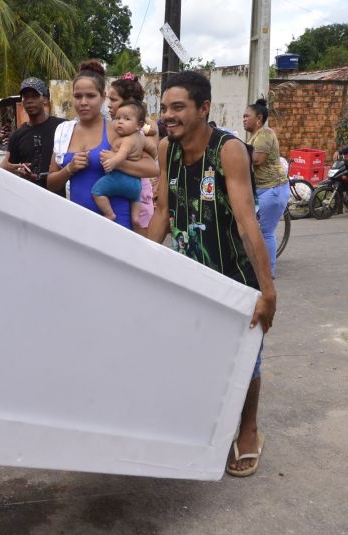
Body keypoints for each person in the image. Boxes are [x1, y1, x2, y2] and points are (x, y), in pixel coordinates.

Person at [147, 71, 276, 478]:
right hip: (190, 279)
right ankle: (204, 426)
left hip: (234, 277)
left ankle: (249, 429)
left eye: (178, 107)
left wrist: (267, 292)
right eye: (165, 108)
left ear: (204, 109)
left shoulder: (229, 150)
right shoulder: (165, 149)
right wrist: (141, 264)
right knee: (195, 354)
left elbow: (246, 223)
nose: (168, 115)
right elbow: (164, 213)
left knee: (246, 360)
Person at [46, 60, 158, 230]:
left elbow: (152, 168)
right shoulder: (64, 133)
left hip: (117, 225)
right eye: (78, 96)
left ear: (103, 97)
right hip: (80, 225)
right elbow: (51, 183)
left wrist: (116, 160)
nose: (83, 102)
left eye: (90, 96)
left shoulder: (117, 130)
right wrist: (69, 169)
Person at [243, 99, 290, 276]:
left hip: (273, 189)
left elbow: (256, 160)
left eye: (247, 116)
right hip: (262, 189)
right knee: (255, 228)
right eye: (243, 116)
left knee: (265, 231)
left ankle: (268, 272)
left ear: (259, 118)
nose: (244, 119)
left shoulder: (264, 134)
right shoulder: (255, 136)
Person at [108, 73, 159, 229]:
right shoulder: (112, 125)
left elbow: (151, 163)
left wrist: (115, 160)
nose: (109, 105)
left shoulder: (141, 128)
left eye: (113, 100)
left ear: (129, 101)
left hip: (139, 194)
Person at [2, 77, 66, 195]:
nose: (29, 101)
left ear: (45, 99)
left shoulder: (62, 127)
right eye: (26, 97)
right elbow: (9, 167)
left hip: (58, 200)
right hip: (28, 198)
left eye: (35, 96)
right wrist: (11, 169)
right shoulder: (17, 135)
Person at [92, 100, 147, 229]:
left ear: (139, 125)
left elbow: (122, 154)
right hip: (136, 185)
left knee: (97, 191)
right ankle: (135, 218)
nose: (120, 122)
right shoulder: (141, 137)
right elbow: (152, 149)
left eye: (127, 119)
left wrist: (112, 162)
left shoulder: (126, 139)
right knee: (135, 199)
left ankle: (109, 214)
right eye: (117, 118)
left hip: (119, 178)